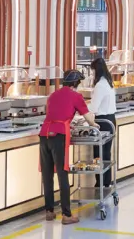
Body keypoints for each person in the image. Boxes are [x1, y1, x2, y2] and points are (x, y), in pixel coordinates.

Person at [39, 70, 96, 225]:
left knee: (47, 174)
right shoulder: (76, 96)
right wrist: (95, 124)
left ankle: (49, 211)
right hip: (59, 135)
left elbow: (54, 114)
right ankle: (66, 214)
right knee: (62, 173)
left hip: (44, 134)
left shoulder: (53, 95)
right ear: (76, 83)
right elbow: (89, 118)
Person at [88, 57, 117, 189]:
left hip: (102, 122)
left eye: (93, 71)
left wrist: (82, 110)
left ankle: (100, 183)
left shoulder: (100, 85)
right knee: (106, 153)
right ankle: (106, 182)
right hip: (111, 120)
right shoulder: (109, 82)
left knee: (98, 154)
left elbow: (94, 108)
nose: (92, 74)